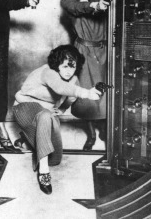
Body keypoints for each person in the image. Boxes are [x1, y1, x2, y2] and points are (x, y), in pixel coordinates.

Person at [12, 45, 101, 195]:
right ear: (57, 64)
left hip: (45, 114)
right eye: (65, 66)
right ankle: (44, 173)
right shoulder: (48, 72)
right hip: (25, 108)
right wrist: (86, 93)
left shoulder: (73, 79)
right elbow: (60, 88)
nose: (68, 71)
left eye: (72, 67)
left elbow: (71, 96)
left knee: (55, 159)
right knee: (46, 117)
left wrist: (61, 110)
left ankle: (28, 138)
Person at [61, 0, 109, 151]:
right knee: (87, 94)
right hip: (84, 51)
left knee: (105, 93)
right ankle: (91, 135)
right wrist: (95, 5)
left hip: (103, 50)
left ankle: (105, 129)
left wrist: (97, 1)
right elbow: (79, 7)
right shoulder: (66, 1)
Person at [0, 0, 37, 152]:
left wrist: (27, 1)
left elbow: (9, 3)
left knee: (0, 89)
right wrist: (27, 1)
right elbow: (8, 4)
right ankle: (0, 129)